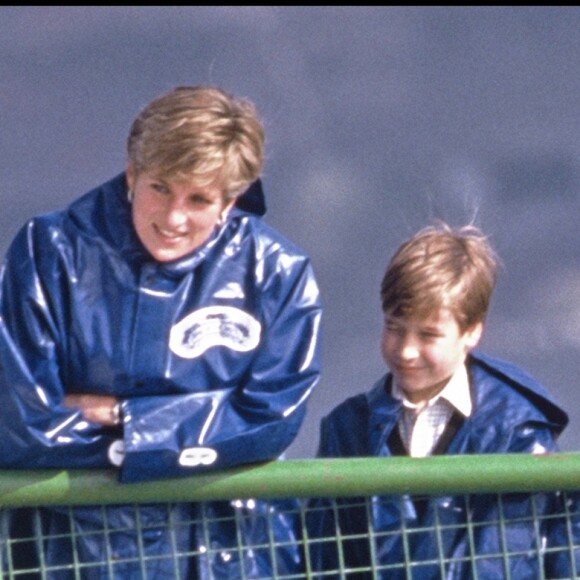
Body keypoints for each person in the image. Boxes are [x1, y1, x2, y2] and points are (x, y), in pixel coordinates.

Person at [0, 85, 322, 578]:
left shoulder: (276, 271)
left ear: (230, 203)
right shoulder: (50, 252)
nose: (173, 218)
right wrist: (200, 429)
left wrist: (128, 422)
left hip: (229, 558)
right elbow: (20, 426)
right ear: (133, 174)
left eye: (198, 199)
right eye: (160, 188)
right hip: (69, 556)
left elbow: (271, 420)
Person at [306, 221, 574, 579]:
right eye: (394, 328)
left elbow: (538, 556)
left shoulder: (518, 433)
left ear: (472, 332)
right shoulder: (347, 427)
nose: (406, 350)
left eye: (429, 335)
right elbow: (324, 558)